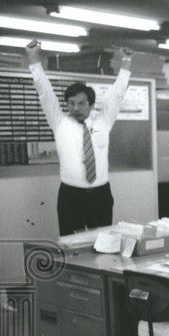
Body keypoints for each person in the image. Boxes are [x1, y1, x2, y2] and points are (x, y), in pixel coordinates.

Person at [25, 40, 133, 236]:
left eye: (81, 104)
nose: (75, 108)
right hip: (70, 196)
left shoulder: (103, 122)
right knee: (71, 246)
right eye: (71, 103)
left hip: (101, 195)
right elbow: (45, 92)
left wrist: (126, 62)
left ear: (91, 105)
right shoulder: (59, 123)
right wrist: (33, 58)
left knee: (102, 244)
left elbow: (117, 95)